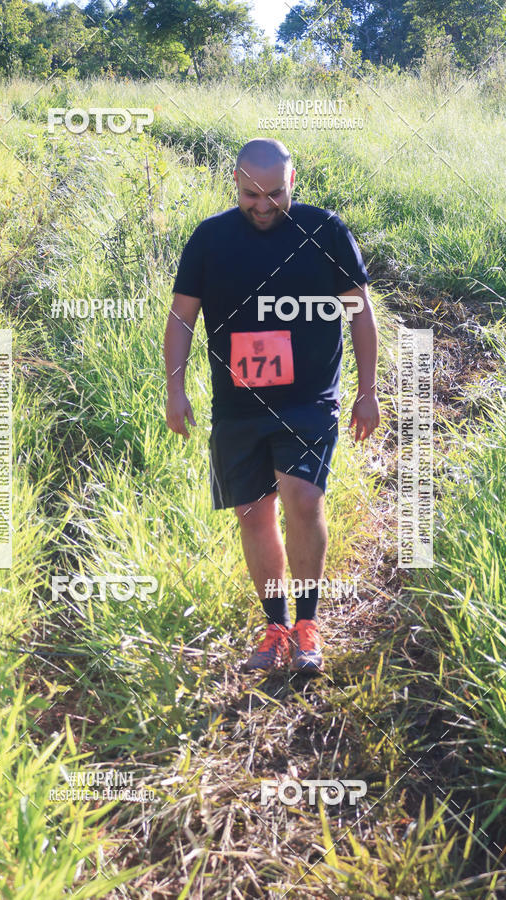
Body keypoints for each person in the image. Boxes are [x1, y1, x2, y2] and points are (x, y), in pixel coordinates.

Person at [164, 138, 380, 675]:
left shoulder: (325, 231)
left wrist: (368, 391)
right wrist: (175, 389)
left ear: (292, 181)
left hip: (308, 400)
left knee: (303, 499)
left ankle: (307, 625)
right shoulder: (210, 238)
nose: (263, 206)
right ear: (235, 182)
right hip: (238, 404)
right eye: (251, 195)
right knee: (253, 512)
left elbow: (359, 313)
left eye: (275, 194)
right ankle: (275, 627)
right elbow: (182, 317)